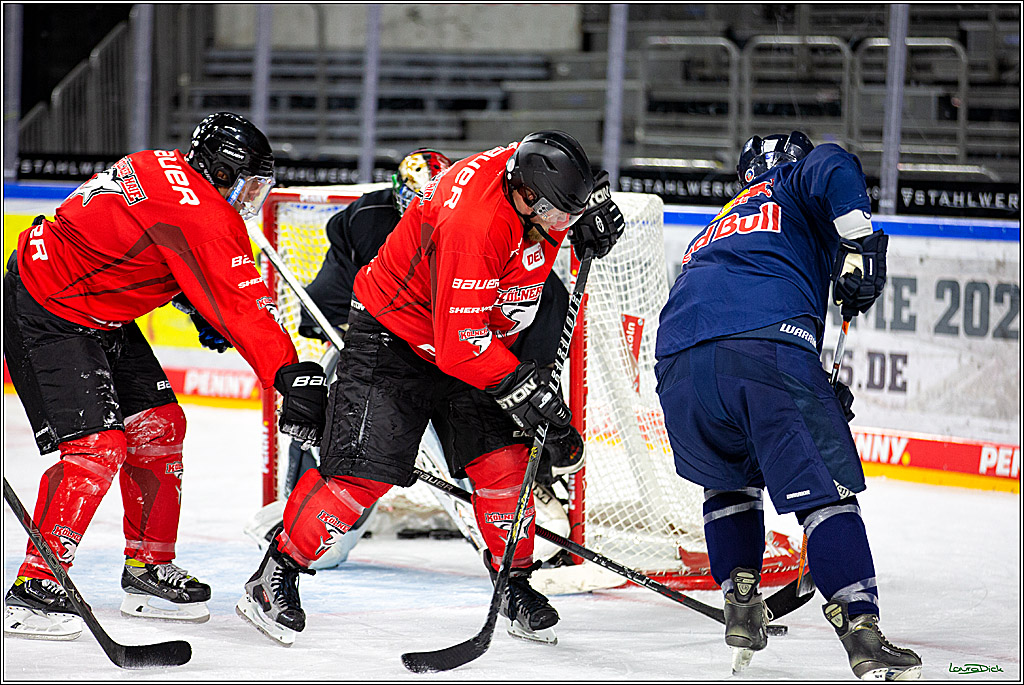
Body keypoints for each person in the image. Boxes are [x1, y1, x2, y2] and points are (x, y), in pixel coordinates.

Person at [236, 130, 624, 647]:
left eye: (567, 217)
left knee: (506, 467)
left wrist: (593, 207)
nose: (562, 228)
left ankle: (513, 584)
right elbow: (461, 346)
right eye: (557, 216)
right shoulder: (474, 225)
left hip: (478, 337)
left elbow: (570, 177)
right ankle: (275, 574)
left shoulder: (532, 176)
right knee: (360, 477)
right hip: (395, 339)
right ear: (526, 196)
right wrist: (524, 392)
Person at [2, 112, 328, 639]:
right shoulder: (202, 213)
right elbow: (245, 309)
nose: (250, 199)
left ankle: (147, 569)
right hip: (46, 307)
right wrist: (288, 375)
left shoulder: (155, 162)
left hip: (95, 307)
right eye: (248, 185)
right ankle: (36, 587)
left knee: (159, 427)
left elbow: (130, 244)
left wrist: (195, 306)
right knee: (97, 448)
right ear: (221, 173)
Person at [654, 132, 922, 680]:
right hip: (765, 348)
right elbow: (834, 161)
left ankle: (742, 602)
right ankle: (862, 633)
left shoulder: (712, 230)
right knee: (827, 493)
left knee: (728, 480)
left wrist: (808, 384)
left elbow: (730, 302)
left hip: (677, 364)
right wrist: (859, 243)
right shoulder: (792, 185)